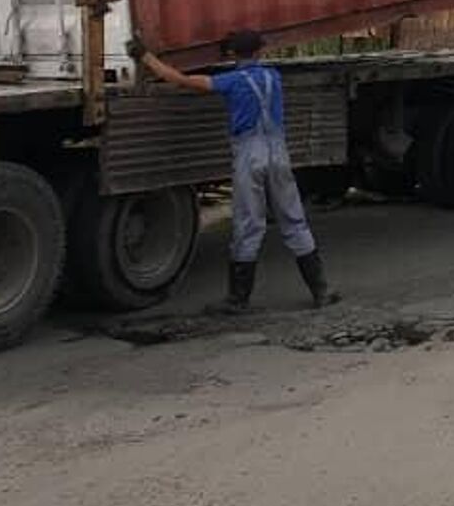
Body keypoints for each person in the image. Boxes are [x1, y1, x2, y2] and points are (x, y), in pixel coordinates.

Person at [132, 30, 338, 312]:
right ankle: (321, 291)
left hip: (249, 155)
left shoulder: (230, 82)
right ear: (259, 52)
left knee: (248, 223)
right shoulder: (273, 77)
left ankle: (238, 299)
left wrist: (146, 58)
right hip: (278, 153)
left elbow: (182, 81)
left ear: (231, 54)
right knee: (294, 219)